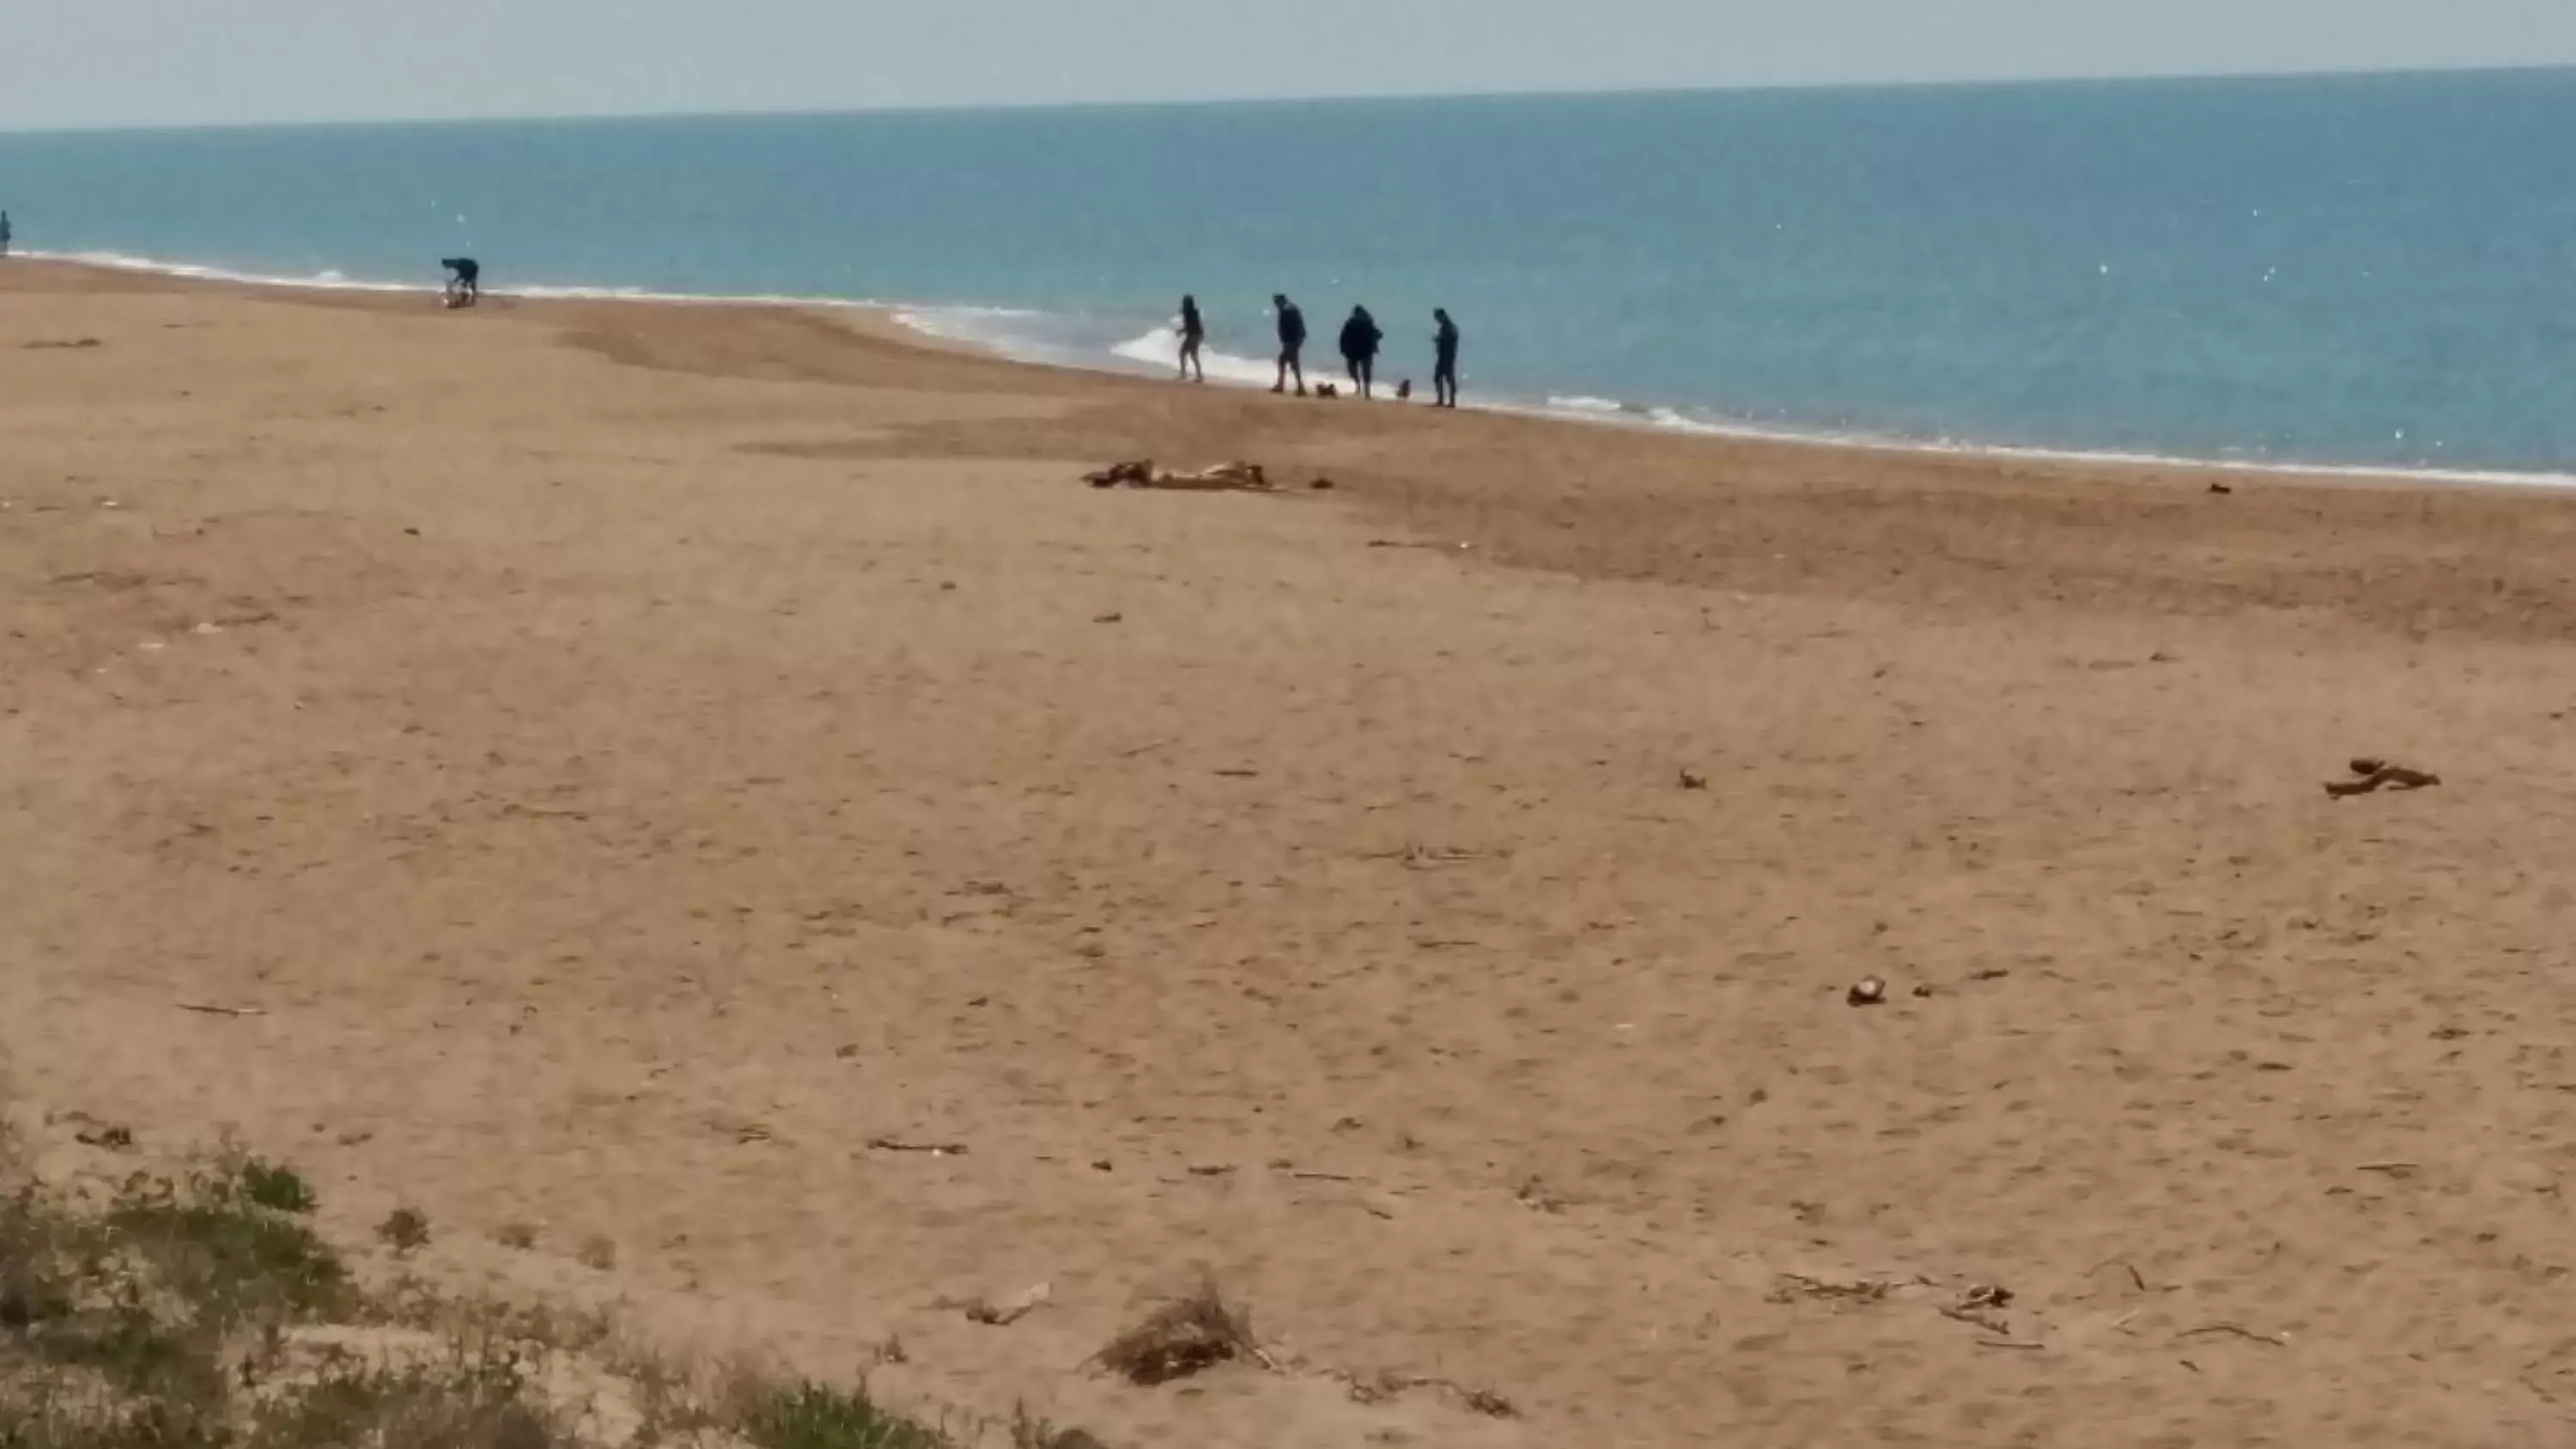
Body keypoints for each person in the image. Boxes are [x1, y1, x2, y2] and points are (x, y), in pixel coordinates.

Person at [1338, 306, 1383, 400]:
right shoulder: (1367, 322)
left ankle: (1359, 386)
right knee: (1366, 372)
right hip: (1363, 350)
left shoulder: (1353, 322)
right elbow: (1378, 334)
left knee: (1354, 370)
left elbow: (1343, 336)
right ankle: (1366, 392)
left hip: (1357, 350)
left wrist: (1343, 348)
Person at [1272, 294, 1307, 397]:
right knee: (1289, 362)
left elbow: (1290, 328)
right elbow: (1300, 325)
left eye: (1277, 302)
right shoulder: (1291, 309)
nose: (1276, 305)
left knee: (1288, 362)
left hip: (1291, 341)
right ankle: (1296, 386)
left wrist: (1290, 342)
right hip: (1293, 340)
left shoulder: (1287, 311)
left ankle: (1289, 386)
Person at [1433, 307, 1461, 409]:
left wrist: (1440, 340)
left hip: (1448, 355)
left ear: (1442, 316)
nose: (1437, 320)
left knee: (1449, 378)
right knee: (1438, 377)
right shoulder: (1444, 327)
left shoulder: (1450, 327)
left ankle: (1451, 401)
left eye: (1437, 317)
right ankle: (1441, 399)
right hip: (1442, 355)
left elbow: (1452, 339)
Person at [1177, 294, 1206, 384]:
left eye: (1185, 302)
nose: (1183, 303)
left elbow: (1191, 326)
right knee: (1190, 355)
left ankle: (1187, 374)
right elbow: (1190, 326)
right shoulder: (1190, 312)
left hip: (1194, 335)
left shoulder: (1191, 313)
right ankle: (1196, 375)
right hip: (1195, 334)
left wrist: (1181, 331)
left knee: (1186, 353)